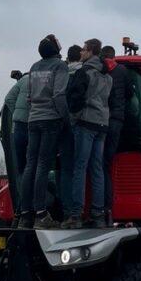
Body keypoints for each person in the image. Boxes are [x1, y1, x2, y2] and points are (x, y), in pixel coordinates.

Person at [18, 34, 69, 229]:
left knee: (30, 165)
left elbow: (29, 97)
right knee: (42, 165)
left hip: (34, 120)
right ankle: (41, 214)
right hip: (51, 120)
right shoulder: (60, 66)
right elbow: (58, 94)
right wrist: (66, 118)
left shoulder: (34, 67)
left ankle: (25, 214)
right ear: (57, 49)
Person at [65, 38, 112, 228]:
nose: (81, 53)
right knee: (97, 169)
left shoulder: (84, 72)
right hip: (102, 124)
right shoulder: (107, 75)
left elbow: (74, 96)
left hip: (85, 122)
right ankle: (97, 213)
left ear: (91, 51)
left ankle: (76, 214)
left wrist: (74, 116)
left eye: (84, 50)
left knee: (79, 167)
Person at [100, 45, 131, 226]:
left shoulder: (100, 71)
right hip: (117, 121)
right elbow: (129, 93)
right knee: (107, 164)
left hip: (102, 120)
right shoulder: (123, 71)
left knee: (100, 166)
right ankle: (108, 208)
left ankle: (103, 207)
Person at [57, 44, 82, 222]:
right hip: (82, 124)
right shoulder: (85, 73)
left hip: (63, 125)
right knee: (81, 167)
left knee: (65, 169)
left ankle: (67, 210)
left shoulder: (61, 74)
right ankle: (79, 209)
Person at [3, 71, 30, 205]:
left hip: (18, 128)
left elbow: (8, 99)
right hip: (36, 128)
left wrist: (17, 113)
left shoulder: (23, 81)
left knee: (21, 169)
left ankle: (22, 206)